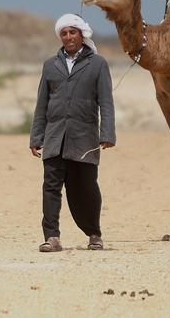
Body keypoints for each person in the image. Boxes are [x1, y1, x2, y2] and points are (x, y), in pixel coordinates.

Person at [29, 14, 115, 252]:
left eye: (72, 32)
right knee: (51, 186)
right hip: (55, 137)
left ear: (82, 35)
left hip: (84, 138)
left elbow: (106, 102)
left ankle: (94, 233)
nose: (68, 37)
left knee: (85, 188)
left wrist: (107, 133)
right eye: (64, 33)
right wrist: (36, 137)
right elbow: (41, 104)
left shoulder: (98, 64)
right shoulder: (50, 65)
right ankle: (52, 237)